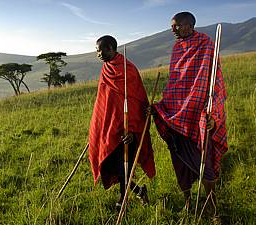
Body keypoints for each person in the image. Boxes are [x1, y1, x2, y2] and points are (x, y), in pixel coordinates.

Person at [152, 12, 228, 216]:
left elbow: (214, 81)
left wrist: (213, 113)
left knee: (205, 163)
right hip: (176, 114)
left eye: (176, 26)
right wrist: (160, 107)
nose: (173, 30)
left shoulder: (206, 44)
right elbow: (176, 83)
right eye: (172, 26)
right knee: (179, 162)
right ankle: (187, 202)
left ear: (189, 25)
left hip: (199, 115)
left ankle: (211, 203)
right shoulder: (177, 48)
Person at [88, 35, 156, 209]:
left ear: (110, 48)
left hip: (128, 129)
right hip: (111, 128)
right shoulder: (106, 68)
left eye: (100, 50)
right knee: (115, 166)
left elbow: (136, 101)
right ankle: (139, 191)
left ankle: (122, 201)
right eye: (97, 51)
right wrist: (101, 124)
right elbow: (105, 101)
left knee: (124, 166)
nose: (98, 54)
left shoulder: (128, 70)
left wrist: (132, 130)